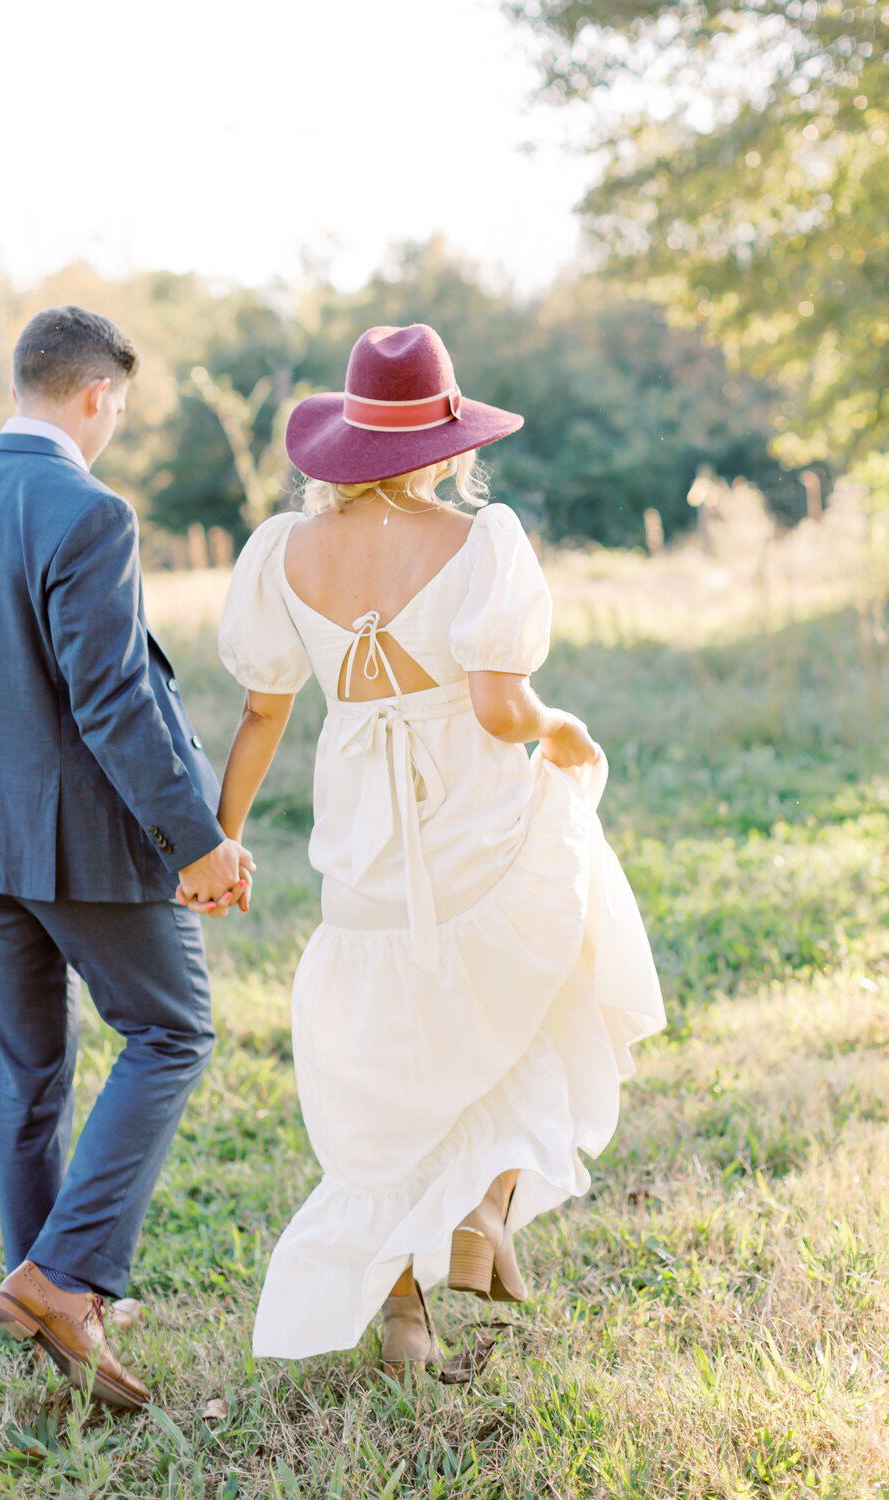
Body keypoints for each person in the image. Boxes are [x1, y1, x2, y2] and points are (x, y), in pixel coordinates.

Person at [213, 323, 665, 1374]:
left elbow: (260, 714)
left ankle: (405, 1311)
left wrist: (225, 838)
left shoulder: (282, 552)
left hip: (362, 837)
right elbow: (502, 710)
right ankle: (485, 1206)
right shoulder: (481, 540)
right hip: (471, 824)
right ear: (446, 443)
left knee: (379, 1055)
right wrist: (562, 735)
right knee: (559, 954)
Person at [0, 306, 252, 1410]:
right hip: (78, 844)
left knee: (28, 1067)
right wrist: (197, 843)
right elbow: (113, 702)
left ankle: (43, 1286)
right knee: (173, 1029)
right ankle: (64, 1280)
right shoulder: (89, 510)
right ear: (97, 394)